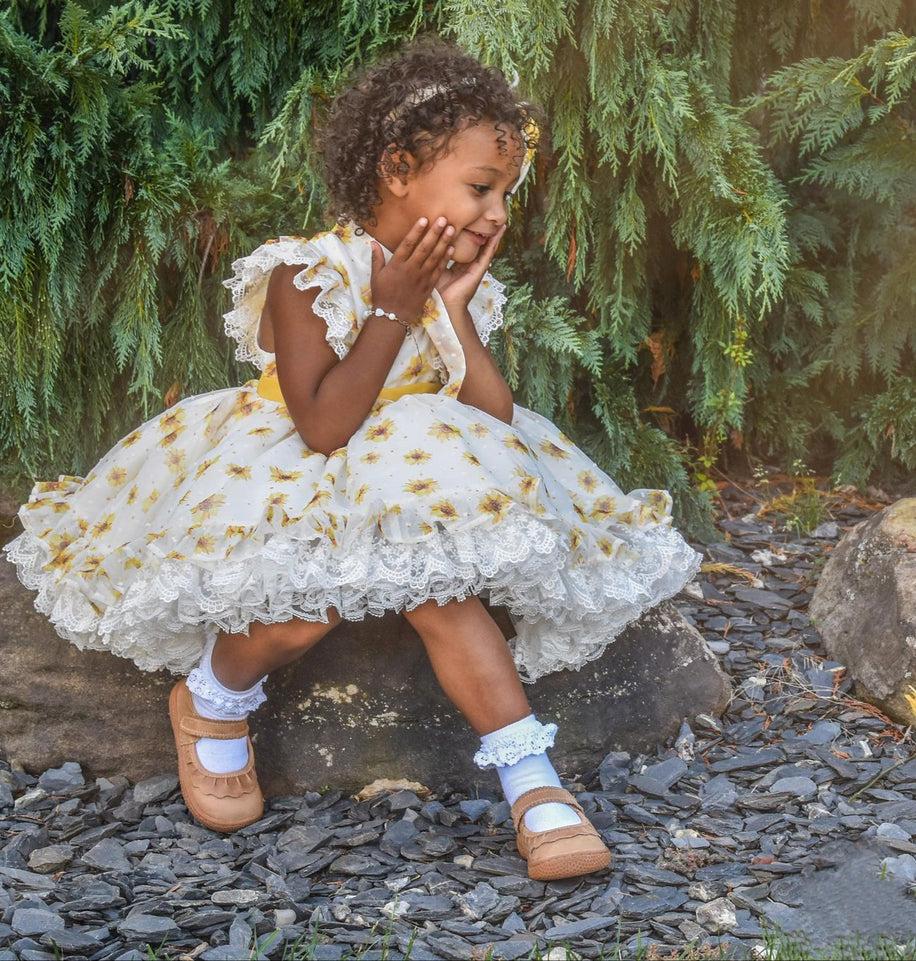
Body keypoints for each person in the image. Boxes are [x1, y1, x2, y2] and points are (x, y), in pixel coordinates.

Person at [4, 38, 701, 882]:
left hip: (415, 484)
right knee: (299, 613)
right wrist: (392, 312)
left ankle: (532, 780)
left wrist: (449, 308)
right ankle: (212, 697)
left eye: (506, 195)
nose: (496, 214)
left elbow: (492, 420)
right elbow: (325, 423)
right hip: (294, 467)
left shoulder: (450, 278)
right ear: (399, 167)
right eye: (482, 187)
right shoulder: (307, 273)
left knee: (447, 597)